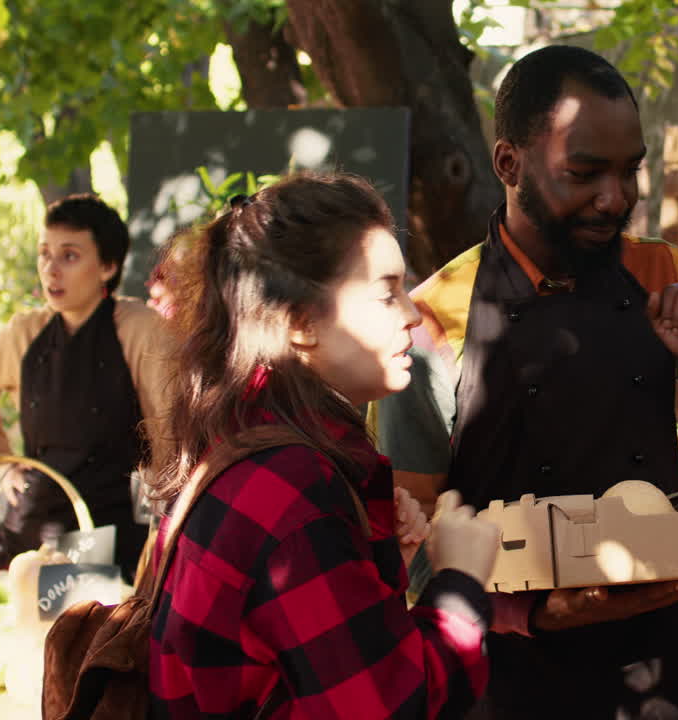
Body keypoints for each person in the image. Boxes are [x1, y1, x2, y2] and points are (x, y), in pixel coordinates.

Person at [370, 45, 678, 719]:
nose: (615, 200)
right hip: (506, 680)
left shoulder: (662, 273)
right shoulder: (433, 322)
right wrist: (533, 611)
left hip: (657, 667)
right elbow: (402, 547)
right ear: (508, 164)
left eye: (630, 172)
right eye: (584, 173)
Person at [145, 173, 500, 718]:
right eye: (387, 293)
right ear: (301, 322)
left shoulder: (251, 446)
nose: (411, 313)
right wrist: (460, 581)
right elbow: (391, 708)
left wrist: (378, 557)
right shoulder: (292, 488)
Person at [0, 194, 169, 580]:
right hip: (35, 522)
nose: (51, 269)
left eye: (69, 256)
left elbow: (169, 426)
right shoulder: (25, 332)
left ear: (107, 266)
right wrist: (3, 466)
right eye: (44, 254)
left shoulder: (139, 328)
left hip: (111, 531)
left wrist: (165, 507)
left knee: (86, 634)